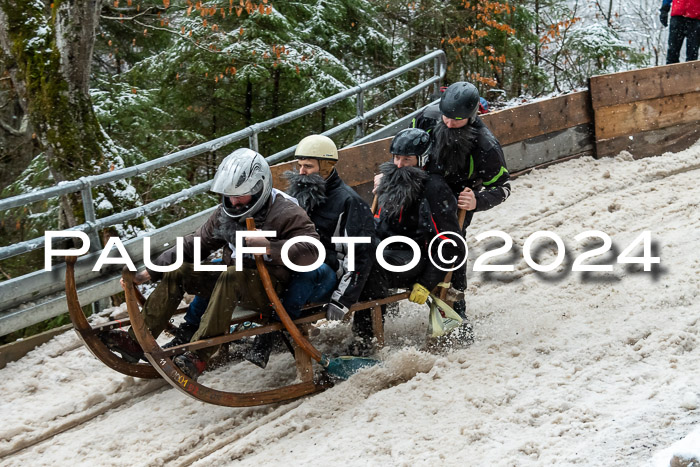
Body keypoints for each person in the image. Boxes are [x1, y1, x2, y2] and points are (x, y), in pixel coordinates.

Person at [100, 148, 320, 380]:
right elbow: (195, 243)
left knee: (231, 275)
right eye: (229, 195)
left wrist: (271, 247)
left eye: (240, 195)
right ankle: (137, 341)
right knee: (180, 270)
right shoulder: (227, 212)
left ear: (259, 189)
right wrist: (151, 270)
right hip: (235, 280)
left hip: (271, 289)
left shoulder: (286, 211)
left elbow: (312, 251)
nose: (234, 201)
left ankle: (198, 354)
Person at [243, 134, 375, 368]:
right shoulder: (298, 197)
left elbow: (359, 256)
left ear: (326, 167)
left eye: (309, 166)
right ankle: (255, 322)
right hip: (298, 261)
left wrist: (341, 300)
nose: (302, 172)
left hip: (329, 275)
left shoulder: (348, 202)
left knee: (308, 270)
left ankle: (268, 337)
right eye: (300, 165)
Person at [355, 128, 465, 353]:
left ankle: (367, 341)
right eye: (396, 158)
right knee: (355, 254)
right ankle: (362, 331)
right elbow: (381, 224)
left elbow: (449, 244)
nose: (399, 164)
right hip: (391, 250)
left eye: (407, 159)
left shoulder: (434, 189)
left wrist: (427, 282)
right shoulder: (391, 182)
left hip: (418, 260)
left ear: (422, 159)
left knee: (370, 267)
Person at [411, 81, 511, 317]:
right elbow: (406, 148)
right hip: (422, 186)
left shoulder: (485, 145)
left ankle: (457, 307)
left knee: (450, 245)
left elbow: (503, 187)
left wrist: (478, 200)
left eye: (456, 119)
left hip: (457, 199)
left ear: (471, 115)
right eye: (446, 116)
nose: (449, 122)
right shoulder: (425, 119)